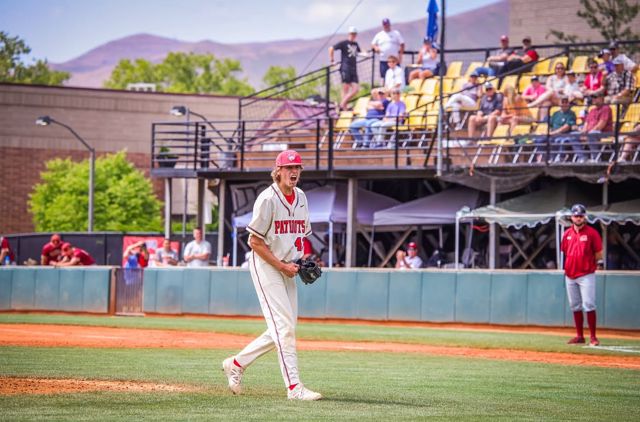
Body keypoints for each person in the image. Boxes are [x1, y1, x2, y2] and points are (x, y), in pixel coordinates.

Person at [221, 149, 322, 401]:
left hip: (287, 264)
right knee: (283, 328)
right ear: (278, 171)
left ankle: (236, 363)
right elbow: (254, 242)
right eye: (289, 168)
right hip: (266, 265)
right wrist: (281, 265)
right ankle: (294, 388)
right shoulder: (267, 199)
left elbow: (299, 236)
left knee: (284, 327)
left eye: (297, 167)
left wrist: (300, 261)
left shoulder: (301, 197)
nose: (294, 172)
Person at [561, 204, 603, 347]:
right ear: (571, 217)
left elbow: (598, 252)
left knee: (589, 304)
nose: (578, 218)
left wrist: (599, 264)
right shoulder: (567, 234)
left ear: (584, 217)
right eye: (576, 216)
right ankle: (580, 336)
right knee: (575, 305)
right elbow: (565, 251)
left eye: (580, 216)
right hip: (570, 274)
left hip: (586, 273)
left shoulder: (592, 233)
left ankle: (593, 337)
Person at [572, 91, 612, 163]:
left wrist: (587, 134)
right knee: (573, 135)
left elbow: (600, 126)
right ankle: (582, 157)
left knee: (592, 134)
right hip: (590, 133)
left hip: (603, 133)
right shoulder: (592, 110)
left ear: (601, 98)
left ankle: (595, 158)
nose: (593, 99)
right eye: (592, 97)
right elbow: (586, 123)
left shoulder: (606, 108)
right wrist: (583, 132)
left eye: (595, 97)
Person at [329, 26, 362, 111]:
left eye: (354, 34)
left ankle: (341, 104)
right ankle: (344, 107)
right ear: (349, 34)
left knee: (355, 89)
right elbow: (331, 48)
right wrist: (332, 60)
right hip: (345, 67)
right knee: (345, 88)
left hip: (353, 69)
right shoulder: (344, 43)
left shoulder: (355, 44)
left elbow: (360, 52)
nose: (353, 35)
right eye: (351, 34)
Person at [536, 97, 577, 163]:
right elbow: (550, 126)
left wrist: (552, 133)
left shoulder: (571, 114)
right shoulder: (556, 114)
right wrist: (548, 133)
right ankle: (542, 157)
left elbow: (566, 127)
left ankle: (559, 158)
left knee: (558, 140)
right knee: (539, 140)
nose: (564, 104)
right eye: (562, 102)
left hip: (563, 134)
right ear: (559, 104)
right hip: (553, 134)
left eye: (566, 102)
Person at [371, 18, 405, 82]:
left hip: (394, 60)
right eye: (384, 24)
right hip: (384, 60)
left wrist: (400, 56)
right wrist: (376, 48)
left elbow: (402, 44)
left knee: (397, 76)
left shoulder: (396, 33)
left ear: (389, 24)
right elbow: (373, 44)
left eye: (387, 24)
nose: (386, 26)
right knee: (385, 77)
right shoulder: (379, 35)